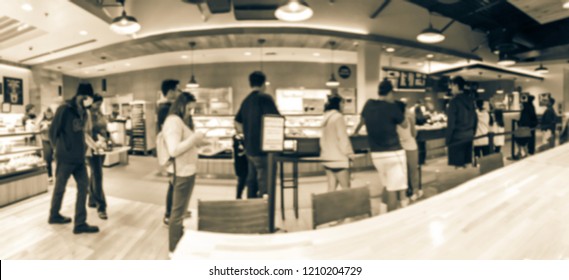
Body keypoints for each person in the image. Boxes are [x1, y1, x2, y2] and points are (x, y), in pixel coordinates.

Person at [48, 83, 99, 234]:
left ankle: (80, 223)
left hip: (79, 158)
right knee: (60, 188)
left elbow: (81, 132)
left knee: (84, 187)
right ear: (81, 96)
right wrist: (59, 149)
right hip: (65, 158)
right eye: (87, 98)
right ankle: (54, 215)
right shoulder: (64, 110)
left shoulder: (83, 112)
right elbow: (52, 132)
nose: (88, 102)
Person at [354, 78, 408, 212]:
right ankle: (391, 221)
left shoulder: (369, 104)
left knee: (387, 184)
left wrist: (355, 131)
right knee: (393, 189)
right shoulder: (392, 107)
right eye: (393, 94)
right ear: (389, 93)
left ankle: (382, 211)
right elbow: (405, 125)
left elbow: (362, 120)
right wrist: (403, 111)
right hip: (393, 153)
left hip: (376, 155)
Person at [162, 91, 206, 253]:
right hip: (182, 173)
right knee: (177, 214)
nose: (190, 113)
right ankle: (174, 251)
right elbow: (174, 150)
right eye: (189, 109)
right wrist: (194, 139)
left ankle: (178, 244)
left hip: (185, 171)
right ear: (181, 106)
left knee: (179, 212)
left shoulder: (179, 121)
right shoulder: (174, 121)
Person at [234, 71, 280, 198]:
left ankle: (252, 207)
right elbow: (275, 121)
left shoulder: (246, 101)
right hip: (263, 149)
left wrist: (247, 133)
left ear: (250, 83)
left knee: (252, 180)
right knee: (264, 181)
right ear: (264, 84)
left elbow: (237, 122)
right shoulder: (265, 98)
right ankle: (264, 209)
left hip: (250, 149)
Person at [157, 79, 182, 225]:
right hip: (171, 151)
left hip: (172, 150)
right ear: (171, 91)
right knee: (174, 183)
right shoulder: (166, 108)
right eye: (177, 89)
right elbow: (169, 132)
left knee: (176, 183)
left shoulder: (168, 107)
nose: (179, 92)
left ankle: (175, 211)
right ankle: (168, 214)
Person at [319, 94, 354, 192]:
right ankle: (348, 207)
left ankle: (329, 207)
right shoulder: (338, 117)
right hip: (339, 159)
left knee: (331, 188)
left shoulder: (326, 118)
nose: (344, 106)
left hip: (327, 158)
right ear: (338, 104)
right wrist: (350, 154)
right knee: (346, 188)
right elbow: (343, 139)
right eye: (343, 104)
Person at [445, 76, 477, 168]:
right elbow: (475, 118)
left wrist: (448, 140)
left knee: (458, 165)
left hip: (457, 137)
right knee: (467, 163)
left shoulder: (454, 102)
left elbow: (451, 123)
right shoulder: (471, 100)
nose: (451, 88)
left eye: (451, 85)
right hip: (469, 135)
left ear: (455, 85)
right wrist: (472, 132)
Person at [87, 94, 110, 220]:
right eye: (97, 104)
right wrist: (96, 141)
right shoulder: (87, 114)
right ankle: (101, 207)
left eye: (100, 104)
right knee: (98, 175)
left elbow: (105, 129)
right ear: (91, 103)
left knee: (95, 174)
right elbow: (87, 132)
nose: (98, 106)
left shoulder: (100, 114)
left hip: (102, 147)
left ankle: (91, 200)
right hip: (92, 148)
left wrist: (107, 138)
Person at [395, 100, 421, 201]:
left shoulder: (393, 121)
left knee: (402, 172)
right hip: (411, 147)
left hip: (399, 148)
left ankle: (404, 193)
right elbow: (414, 134)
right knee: (413, 171)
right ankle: (415, 192)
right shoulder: (409, 119)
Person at [39, 107, 54, 182]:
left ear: (52, 113)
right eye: (47, 113)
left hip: (54, 141)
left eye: (50, 113)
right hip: (45, 141)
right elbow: (38, 131)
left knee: (55, 158)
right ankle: (49, 175)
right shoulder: (42, 121)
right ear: (44, 114)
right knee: (47, 159)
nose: (48, 115)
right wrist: (43, 128)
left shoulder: (55, 121)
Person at [233, 134, 248, 199]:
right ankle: (238, 196)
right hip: (242, 164)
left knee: (241, 181)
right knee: (242, 181)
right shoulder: (238, 138)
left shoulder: (237, 138)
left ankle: (238, 196)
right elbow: (240, 152)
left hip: (240, 163)